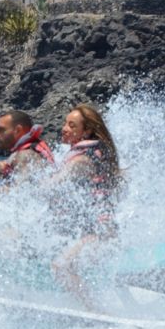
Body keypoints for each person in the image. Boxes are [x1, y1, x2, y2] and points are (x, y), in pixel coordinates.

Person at [50, 104, 121, 309]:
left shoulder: (81, 159)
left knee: (61, 266)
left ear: (86, 131)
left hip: (100, 234)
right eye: (65, 123)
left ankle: (96, 314)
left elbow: (54, 184)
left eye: (72, 125)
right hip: (94, 231)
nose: (64, 128)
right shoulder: (95, 153)